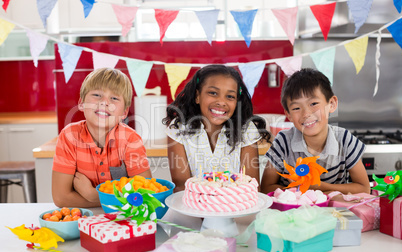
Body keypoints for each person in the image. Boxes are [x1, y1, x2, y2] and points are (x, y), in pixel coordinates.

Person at [52, 68, 152, 207]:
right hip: (83, 218)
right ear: (81, 103)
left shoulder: (131, 139)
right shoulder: (69, 136)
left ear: (124, 112)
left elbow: (143, 193)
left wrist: (93, 195)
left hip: (123, 218)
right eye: (97, 95)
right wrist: (112, 199)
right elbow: (61, 198)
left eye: (114, 98)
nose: (105, 102)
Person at [261, 68, 370, 194]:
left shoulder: (344, 139)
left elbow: (364, 188)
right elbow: (266, 188)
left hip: (334, 213)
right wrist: (300, 190)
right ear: (289, 115)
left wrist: (321, 187)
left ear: (332, 104)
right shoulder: (283, 141)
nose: (306, 114)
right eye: (296, 108)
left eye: (313, 104)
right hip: (292, 213)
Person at [163, 65, 271, 192]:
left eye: (230, 96)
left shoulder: (246, 130)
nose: (221, 101)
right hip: (193, 209)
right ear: (197, 96)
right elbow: (181, 186)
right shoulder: (178, 128)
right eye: (213, 93)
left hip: (236, 208)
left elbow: (251, 185)